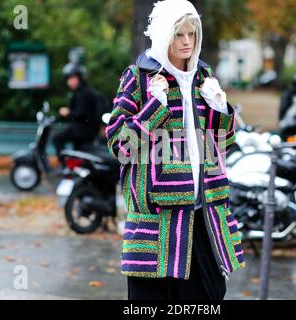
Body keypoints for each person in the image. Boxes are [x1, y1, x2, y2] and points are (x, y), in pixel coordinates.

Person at [106, 0, 245, 300]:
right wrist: (154, 109)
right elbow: (119, 145)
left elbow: (223, 146)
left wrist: (220, 109)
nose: (186, 42)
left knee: (209, 298)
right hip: (157, 220)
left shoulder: (204, 77)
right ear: (162, 35)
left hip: (205, 215)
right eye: (178, 34)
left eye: (191, 34)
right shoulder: (140, 78)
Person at [53, 63, 108, 168]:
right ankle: (74, 168)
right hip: (83, 130)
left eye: (73, 78)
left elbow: (82, 113)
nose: (70, 82)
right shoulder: (82, 91)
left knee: (57, 139)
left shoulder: (83, 92)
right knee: (79, 152)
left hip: (82, 131)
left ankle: (65, 166)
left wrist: (68, 112)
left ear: (79, 78)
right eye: (68, 79)